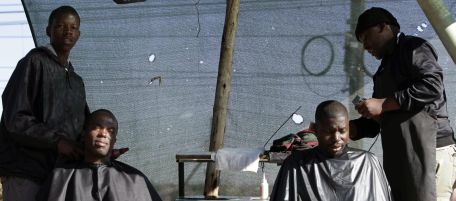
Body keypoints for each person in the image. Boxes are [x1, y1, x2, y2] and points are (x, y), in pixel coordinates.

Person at [350, 7, 456, 201]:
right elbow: (379, 120)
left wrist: (383, 104)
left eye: (365, 37)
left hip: (430, 148)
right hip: (402, 156)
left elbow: (431, 86)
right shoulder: (382, 71)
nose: (365, 46)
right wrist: (350, 128)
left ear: (384, 27)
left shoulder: (413, 47)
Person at [0, 5, 88, 201]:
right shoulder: (33, 63)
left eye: (73, 27)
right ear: (48, 30)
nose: (68, 31)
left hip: (60, 176)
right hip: (26, 173)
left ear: (79, 34)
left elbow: (83, 128)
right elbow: (15, 119)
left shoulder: (76, 81)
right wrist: (57, 141)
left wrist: (98, 148)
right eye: (60, 26)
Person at [270, 100, 392, 201]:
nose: (336, 138)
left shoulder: (367, 162)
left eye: (342, 131)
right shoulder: (296, 165)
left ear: (349, 129)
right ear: (315, 130)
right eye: (329, 132)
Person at [36, 109, 163, 201]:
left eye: (110, 130)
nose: (103, 133)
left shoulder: (135, 179)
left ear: (114, 141)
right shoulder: (60, 178)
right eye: (97, 127)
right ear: (84, 135)